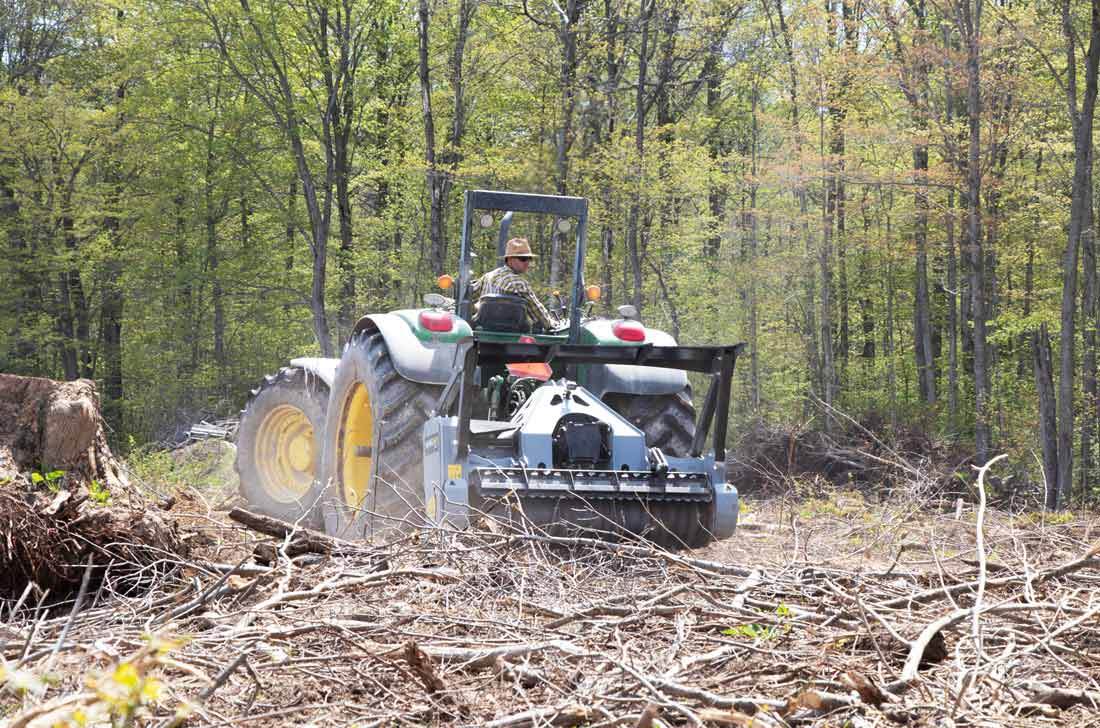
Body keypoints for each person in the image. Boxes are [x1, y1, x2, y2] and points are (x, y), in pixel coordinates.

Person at [469, 237, 562, 331]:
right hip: (511, 336)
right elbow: (537, 311)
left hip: (484, 333)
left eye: (529, 259)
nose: (527, 262)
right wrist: (551, 325)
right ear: (509, 259)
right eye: (523, 259)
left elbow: (469, 297)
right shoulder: (518, 283)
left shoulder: (488, 276)